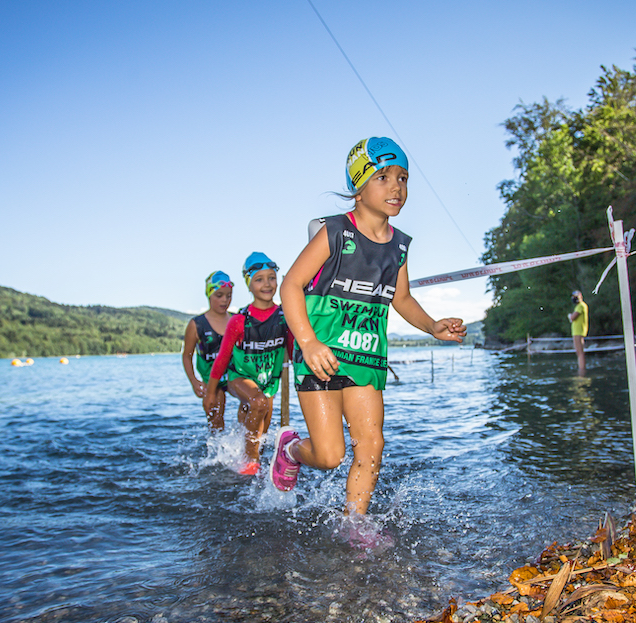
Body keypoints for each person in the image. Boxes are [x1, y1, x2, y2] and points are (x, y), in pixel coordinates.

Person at [276, 136, 466, 524]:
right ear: (358, 188)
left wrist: (432, 325)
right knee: (330, 456)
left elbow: (402, 299)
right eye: (382, 176)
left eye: (403, 177)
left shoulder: (399, 246)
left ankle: (354, 526)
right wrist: (308, 343)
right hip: (322, 354)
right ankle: (290, 450)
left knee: (371, 445)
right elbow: (290, 286)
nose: (396, 186)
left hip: (366, 356)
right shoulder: (333, 233)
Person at [204, 253, 293, 475]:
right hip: (239, 378)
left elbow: (293, 354)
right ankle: (250, 463)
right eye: (259, 279)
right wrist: (211, 393)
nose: (267, 284)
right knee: (258, 402)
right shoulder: (239, 321)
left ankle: (245, 461)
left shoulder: (285, 317)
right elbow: (222, 359)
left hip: (269, 382)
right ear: (249, 285)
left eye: (271, 278)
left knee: (259, 428)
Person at [181, 271, 234, 431]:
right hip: (211, 379)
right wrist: (194, 381)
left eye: (228, 295)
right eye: (219, 295)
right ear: (209, 295)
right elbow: (187, 356)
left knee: (250, 407)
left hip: (233, 375)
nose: (224, 300)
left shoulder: (235, 320)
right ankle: (216, 452)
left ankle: (246, 448)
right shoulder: (196, 324)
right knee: (216, 419)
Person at [568, 290, 589, 376]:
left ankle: (581, 371)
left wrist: (570, 316)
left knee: (580, 352)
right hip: (577, 331)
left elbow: (573, 317)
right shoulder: (579, 306)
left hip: (578, 331)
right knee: (579, 352)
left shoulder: (581, 305)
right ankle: (581, 369)